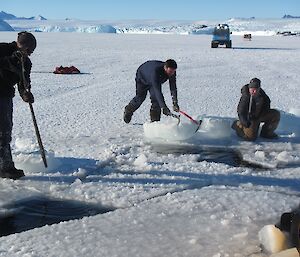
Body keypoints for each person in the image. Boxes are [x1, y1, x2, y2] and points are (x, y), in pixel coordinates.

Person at [0, 31, 36, 179]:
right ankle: (5, 167)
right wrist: (11, 61)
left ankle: (5, 167)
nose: (29, 54)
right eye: (27, 50)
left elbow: (23, 82)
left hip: (5, 96)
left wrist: (25, 93)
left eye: (31, 52)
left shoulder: (26, 62)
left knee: (4, 131)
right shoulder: (2, 49)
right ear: (19, 45)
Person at [123, 59, 179, 123]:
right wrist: (163, 107)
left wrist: (175, 102)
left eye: (173, 71)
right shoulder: (156, 72)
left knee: (156, 101)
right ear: (165, 68)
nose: (172, 73)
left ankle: (155, 122)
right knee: (140, 97)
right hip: (142, 77)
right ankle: (128, 110)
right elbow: (158, 91)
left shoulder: (172, 71)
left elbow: (173, 87)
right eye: (170, 71)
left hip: (154, 80)